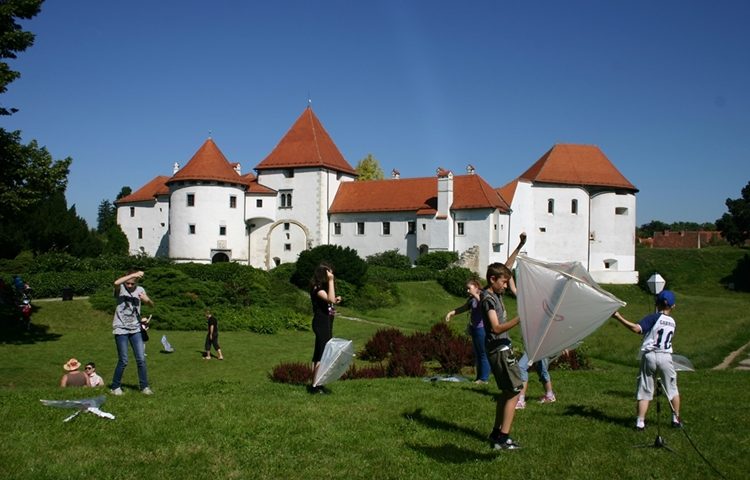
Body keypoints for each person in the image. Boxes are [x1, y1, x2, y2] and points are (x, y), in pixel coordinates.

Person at [612, 290, 682, 430]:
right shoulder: (672, 322)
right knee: (672, 389)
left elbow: (637, 329)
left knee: (645, 388)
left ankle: (640, 422)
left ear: (657, 303)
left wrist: (618, 316)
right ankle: (675, 419)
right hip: (666, 356)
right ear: (673, 306)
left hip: (650, 355)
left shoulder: (653, 318)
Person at [483, 233, 527, 450]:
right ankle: (503, 438)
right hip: (499, 348)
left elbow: (506, 268)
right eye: (503, 282)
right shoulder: (489, 299)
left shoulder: (495, 290)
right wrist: (521, 318)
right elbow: (496, 327)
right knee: (515, 390)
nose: (505, 285)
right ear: (493, 280)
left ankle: (496, 433)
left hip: (500, 348)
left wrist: (519, 246)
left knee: (506, 392)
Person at [110, 270, 154, 395]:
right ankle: (115, 387)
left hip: (135, 329)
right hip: (121, 329)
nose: (129, 285)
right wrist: (132, 275)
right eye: (128, 283)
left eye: (132, 284)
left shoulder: (140, 290)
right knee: (123, 360)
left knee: (141, 359)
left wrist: (147, 300)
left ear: (136, 283)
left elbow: (152, 305)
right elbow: (116, 282)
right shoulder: (121, 289)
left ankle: (144, 387)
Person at [445, 278, 489, 384]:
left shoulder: (483, 296)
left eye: (469, 288)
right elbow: (464, 308)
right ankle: (479, 378)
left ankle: (484, 379)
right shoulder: (471, 299)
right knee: (478, 354)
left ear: (476, 287)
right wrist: (451, 313)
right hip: (474, 328)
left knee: (483, 354)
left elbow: (483, 305)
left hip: (482, 329)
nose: (467, 291)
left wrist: (475, 294)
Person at [309, 263, 341, 393]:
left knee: (319, 354)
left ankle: (315, 384)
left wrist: (335, 299)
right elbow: (330, 300)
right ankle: (317, 385)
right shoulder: (318, 289)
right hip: (321, 324)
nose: (331, 276)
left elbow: (331, 301)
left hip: (325, 323)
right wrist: (331, 281)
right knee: (323, 354)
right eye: (329, 274)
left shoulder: (322, 289)